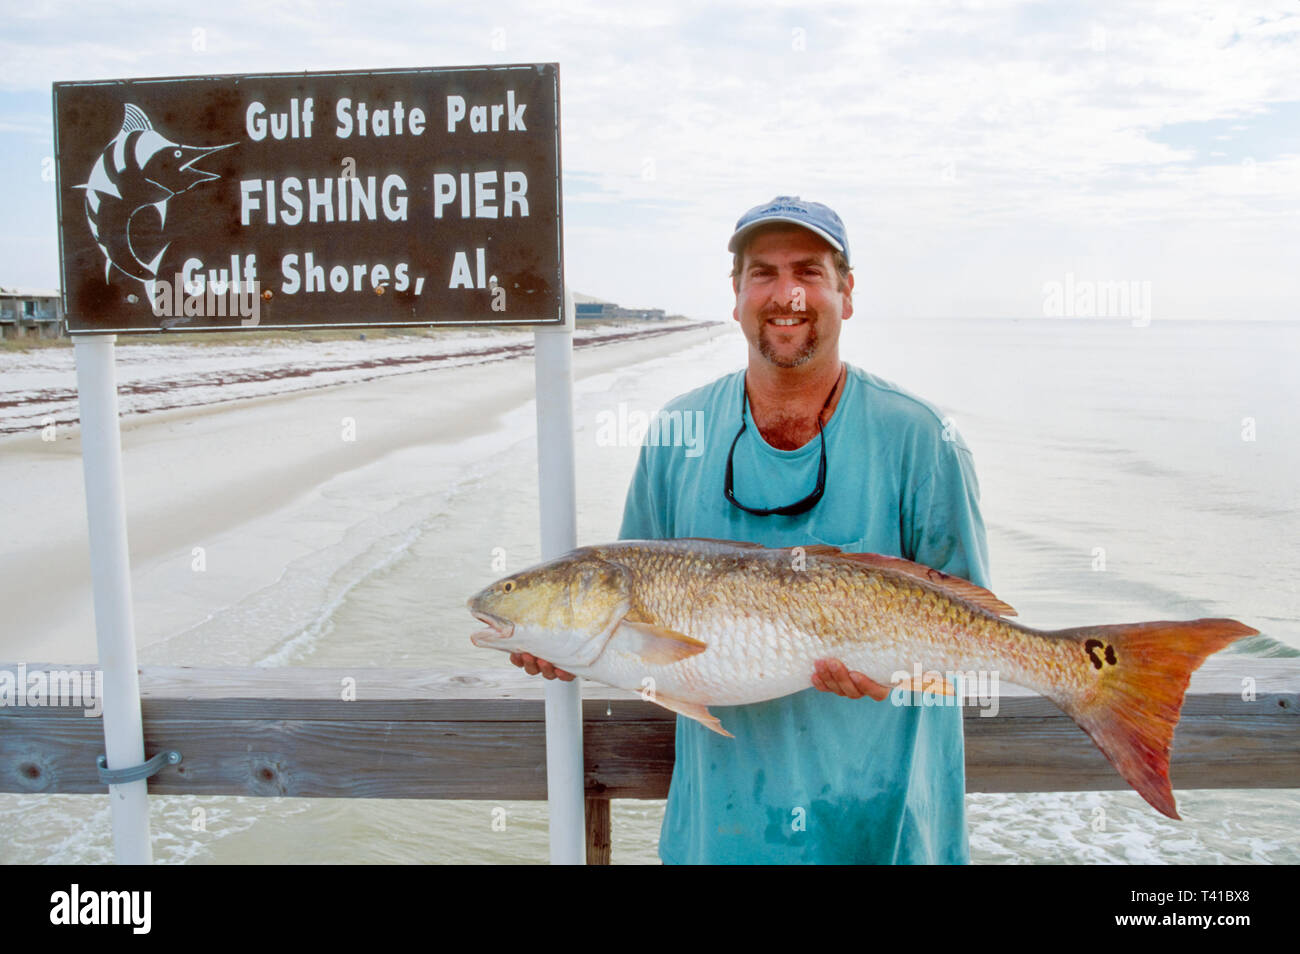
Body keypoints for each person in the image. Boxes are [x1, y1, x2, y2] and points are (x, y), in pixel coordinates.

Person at [512, 196, 991, 864]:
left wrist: (895, 671)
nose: (786, 293)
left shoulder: (922, 439)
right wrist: (559, 642)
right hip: (719, 839)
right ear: (736, 294)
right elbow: (632, 623)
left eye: (810, 271)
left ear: (846, 294)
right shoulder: (676, 434)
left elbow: (969, 632)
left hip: (887, 837)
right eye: (762, 272)